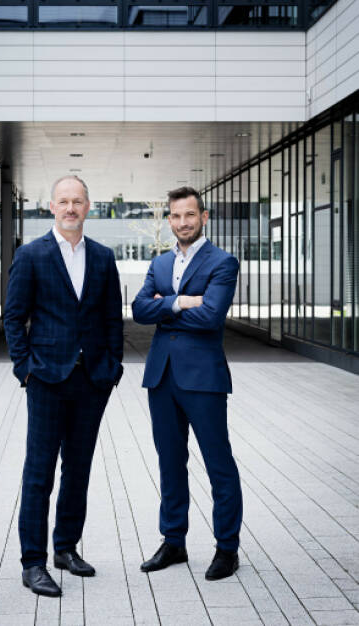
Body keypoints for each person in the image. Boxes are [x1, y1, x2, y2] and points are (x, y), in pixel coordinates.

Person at [4, 175, 123, 597]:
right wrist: (25, 369)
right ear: (51, 207)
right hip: (46, 380)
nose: (70, 208)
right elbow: (13, 318)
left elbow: (112, 318)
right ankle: (32, 563)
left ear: (89, 206)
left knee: (78, 471)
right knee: (39, 474)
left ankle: (65, 549)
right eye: (63, 201)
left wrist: (112, 367)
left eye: (77, 201)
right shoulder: (31, 255)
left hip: (92, 381)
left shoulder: (104, 258)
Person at [132, 186, 242, 581]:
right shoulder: (160, 263)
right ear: (170, 220)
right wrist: (181, 302)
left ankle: (227, 549)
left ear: (204, 217)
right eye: (176, 217)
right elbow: (139, 309)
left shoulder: (222, 262)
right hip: (162, 377)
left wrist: (166, 305)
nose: (182, 223)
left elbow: (212, 317)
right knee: (169, 462)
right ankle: (173, 541)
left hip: (204, 379)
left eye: (189, 216)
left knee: (218, 465)